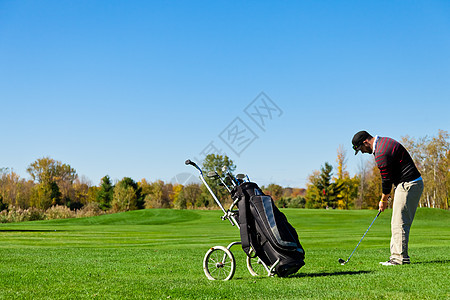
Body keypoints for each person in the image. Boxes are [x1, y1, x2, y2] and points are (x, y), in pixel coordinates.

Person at [352, 130, 424, 266]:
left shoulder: (380, 153)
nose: (361, 152)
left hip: (408, 184)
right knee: (398, 221)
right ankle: (397, 257)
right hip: (409, 184)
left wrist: (383, 200)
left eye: (360, 149)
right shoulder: (384, 142)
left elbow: (386, 180)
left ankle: (399, 259)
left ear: (365, 142)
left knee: (399, 222)